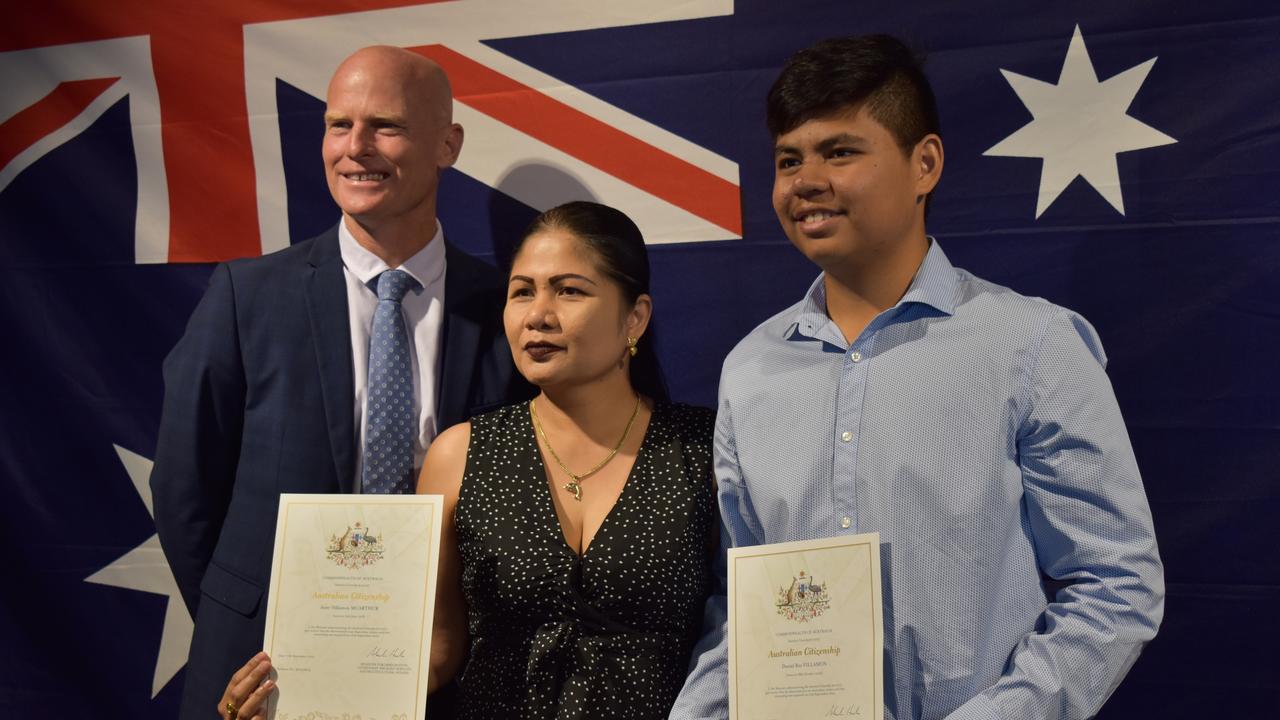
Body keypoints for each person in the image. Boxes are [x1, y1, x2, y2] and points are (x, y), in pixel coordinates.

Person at [671, 35, 1164, 720]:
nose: (805, 181)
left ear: (923, 163)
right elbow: (745, 606)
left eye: (840, 152)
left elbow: (1116, 585)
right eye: (789, 160)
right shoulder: (750, 369)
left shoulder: (1033, 343)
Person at [221, 201, 718, 720]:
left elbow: (734, 635)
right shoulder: (459, 453)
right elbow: (433, 652)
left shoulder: (702, 449)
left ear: (635, 317)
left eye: (569, 290)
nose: (538, 315)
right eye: (522, 291)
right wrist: (298, 693)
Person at [151, 46, 530, 720]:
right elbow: (185, 489)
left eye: (385, 126)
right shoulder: (246, 297)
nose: (355, 148)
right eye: (337, 125)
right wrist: (245, 622)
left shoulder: (507, 309)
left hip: (448, 685)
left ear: (448, 144)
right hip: (258, 681)